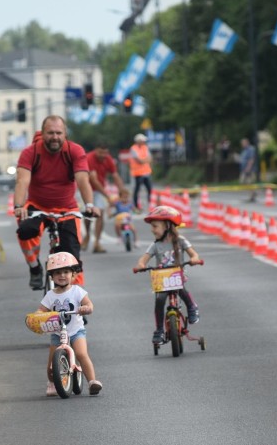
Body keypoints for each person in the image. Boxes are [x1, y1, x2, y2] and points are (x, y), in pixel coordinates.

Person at [12, 115, 99, 290]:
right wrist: (19, 206)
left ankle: (78, 300)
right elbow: (22, 181)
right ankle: (35, 268)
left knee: (73, 256)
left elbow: (83, 180)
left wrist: (89, 205)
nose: (55, 137)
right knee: (25, 230)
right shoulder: (30, 152)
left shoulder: (74, 151)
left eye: (59, 133)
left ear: (65, 134)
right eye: (50, 133)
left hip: (67, 209)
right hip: (37, 206)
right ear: (42, 133)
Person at [34, 251, 101, 397]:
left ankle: (92, 382)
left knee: (82, 354)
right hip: (58, 333)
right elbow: (41, 310)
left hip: (76, 331)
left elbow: (89, 303)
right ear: (52, 276)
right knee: (52, 361)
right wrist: (39, 315)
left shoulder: (77, 291)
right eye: (57, 272)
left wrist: (86, 308)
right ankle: (52, 382)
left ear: (73, 274)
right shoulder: (50, 295)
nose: (62, 275)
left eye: (66, 272)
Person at [134, 206, 202, 345]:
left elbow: (193, 254)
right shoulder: (155, 245)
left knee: (181, 289)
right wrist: (141, 265)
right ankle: (159, 330)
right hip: (161, 278)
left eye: (155, 226)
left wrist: (194, 258)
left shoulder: (180, 241)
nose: (152, 230)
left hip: (177, 275)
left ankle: (192, 307)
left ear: (168, 226)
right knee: (160, 300)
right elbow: (144, 259)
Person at [83, 142, 127, 254]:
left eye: (105, 153)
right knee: (88, 214)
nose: (103, 155)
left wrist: (122, 191)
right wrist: (107, 196)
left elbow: (115, 176)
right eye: (100, 152)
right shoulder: (89, 158)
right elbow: (93, 180)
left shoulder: (108, 159)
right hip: (86, 188)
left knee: (100, 214)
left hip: (98, 190)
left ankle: (97, 242)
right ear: (95, 150)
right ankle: (87, 235)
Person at [129, 133, 153, 212]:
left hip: (146, 172)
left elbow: (150, 158)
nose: (144, 142)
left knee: (149, 189)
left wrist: (144, 160)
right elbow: (139, 160)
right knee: (137, 190)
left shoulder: (145, 147)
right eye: (142, 140)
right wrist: (145, 160)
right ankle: (136, 206)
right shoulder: (133, 148)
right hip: (138, 173)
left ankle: (150, 204)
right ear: (138, 141)